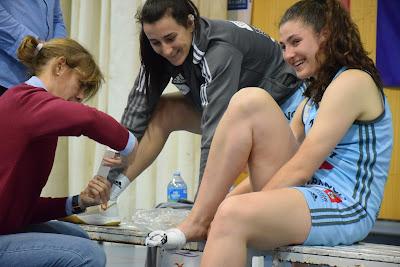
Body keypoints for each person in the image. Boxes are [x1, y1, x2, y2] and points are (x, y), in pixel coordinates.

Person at [144, 0, 393, 266]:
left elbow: (300, 168)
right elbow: (287, 163)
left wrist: (247, 207)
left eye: (296, 42)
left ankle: (202, 219)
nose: (287, 55)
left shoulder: (353, 81)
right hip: (309, 195)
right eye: (284, 46)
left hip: (346, 206)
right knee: (248, 100)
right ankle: (200, 217)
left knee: (233, 214)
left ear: (326, 35)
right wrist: (224, 203)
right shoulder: (311, 99)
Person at [107, 0, 306, 199]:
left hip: (285, 109)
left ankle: (208, 207)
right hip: (240, 110)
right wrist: (107, 179)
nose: (166, 50)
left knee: (236, 199)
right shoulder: (157, 52)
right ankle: (108, 196)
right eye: (156, 42)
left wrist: (200, 211)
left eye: (170, 38)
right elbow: (138, 107)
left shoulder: (219, 49)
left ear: (190, 23)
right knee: (164, 110)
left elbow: (216, 132)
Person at [0, 36, 137, 266]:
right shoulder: (24, 101)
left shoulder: (32, 112)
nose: (81, 96)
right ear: (60, 66)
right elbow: (89, 119)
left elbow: (18, 208)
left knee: (77, 237)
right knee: (87, 254)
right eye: (81, 84)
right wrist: (129, 146)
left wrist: (79, 201)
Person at [0, 0, 67, 96]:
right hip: (6, 79)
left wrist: (56, 50)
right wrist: (36, 48)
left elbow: (56, 19)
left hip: (41, 84)